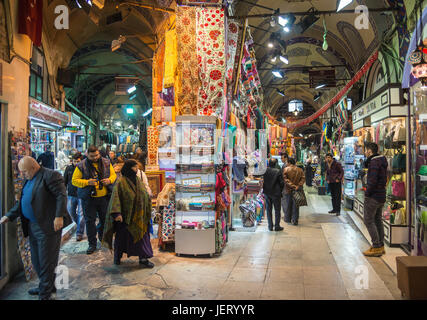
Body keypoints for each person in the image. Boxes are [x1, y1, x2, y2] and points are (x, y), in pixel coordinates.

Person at [0, 157, 71, 300]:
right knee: (37, 260)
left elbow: (61, 196)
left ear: (33, 167)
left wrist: (59, 216)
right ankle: (47, 286)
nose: (22, 175)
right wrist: (9, 215)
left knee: (46, 262)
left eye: (24, 172)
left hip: (48, 226)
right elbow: (23, 201)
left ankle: (45, 294)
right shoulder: (29, 178)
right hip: (32, 226)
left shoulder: (51, 175)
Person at [102, 160, 154, 268]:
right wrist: (117, 214)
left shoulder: (138, 180)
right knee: (122, 240)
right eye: (134, 167)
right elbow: (115, 198)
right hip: (125, 218)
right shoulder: (120, 182)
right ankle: (117, 257)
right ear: (129, 168)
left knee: (142, 239)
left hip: (139, 217)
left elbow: (143, 193)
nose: (136, 169)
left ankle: (143, 258)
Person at [72, 146, 117, 254]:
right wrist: (87, 182)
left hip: (104, 198)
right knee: (89, 221)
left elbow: (113, 175)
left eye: (97, 155)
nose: (95, 157)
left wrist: (109, 180)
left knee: (104, 220)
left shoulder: (106, 162)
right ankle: (92, 244)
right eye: (92, 156)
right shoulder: (81, 165)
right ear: (87, 154)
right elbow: (74, 181)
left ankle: (103, 238)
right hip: (88, 199)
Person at [362, 142, 388, 257]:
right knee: (377, 220)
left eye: (365, 150)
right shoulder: (382, 161)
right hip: (381, 195)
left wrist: (367, 193)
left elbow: (372, 181)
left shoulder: (374, 162)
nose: (364, 152)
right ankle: (381, 246)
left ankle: (376, 246)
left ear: (369, 151)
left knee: (368, 220)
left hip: (373, 196)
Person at [64, 153, 85, 241]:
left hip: (81, 194)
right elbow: (64, 181)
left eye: (78, 161)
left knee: (81, 214)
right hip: (71, 195)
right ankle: (80, 225)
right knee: (71, 213)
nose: (76, 163)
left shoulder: (84, 169)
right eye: (74, 161)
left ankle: (79, 233)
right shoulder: (68, 168)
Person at [263, 158, 284, 231]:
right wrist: (280, 190)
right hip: (276, 193)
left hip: (267, 192)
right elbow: (282, 183)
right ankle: (277, 226)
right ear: (276, 164)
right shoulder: (278, 171)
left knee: (268, 210)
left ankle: (270, 226)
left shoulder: (265, 170)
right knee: (277, 210)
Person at [283, 158, 305, 225]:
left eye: (287, 162)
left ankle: (287, 219)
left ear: (289, 162)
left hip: (288, 189)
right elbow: (303, 179)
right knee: (296, 205)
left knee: (288, 204)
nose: (286, 163)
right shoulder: (300, 170)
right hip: (297, 190)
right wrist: (297, 186)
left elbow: (285, 180)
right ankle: (295, 220)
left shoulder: (286, 169)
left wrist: (292, 185)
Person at [280, 152, 289, 222]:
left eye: (282, 158)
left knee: (284, 200)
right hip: (288, 185)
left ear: (286, 158)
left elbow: (284, 176)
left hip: (285, 186)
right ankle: (287, 215)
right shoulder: (287, 164)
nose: (281, 159)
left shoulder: (285, 165)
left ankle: (286, 215)